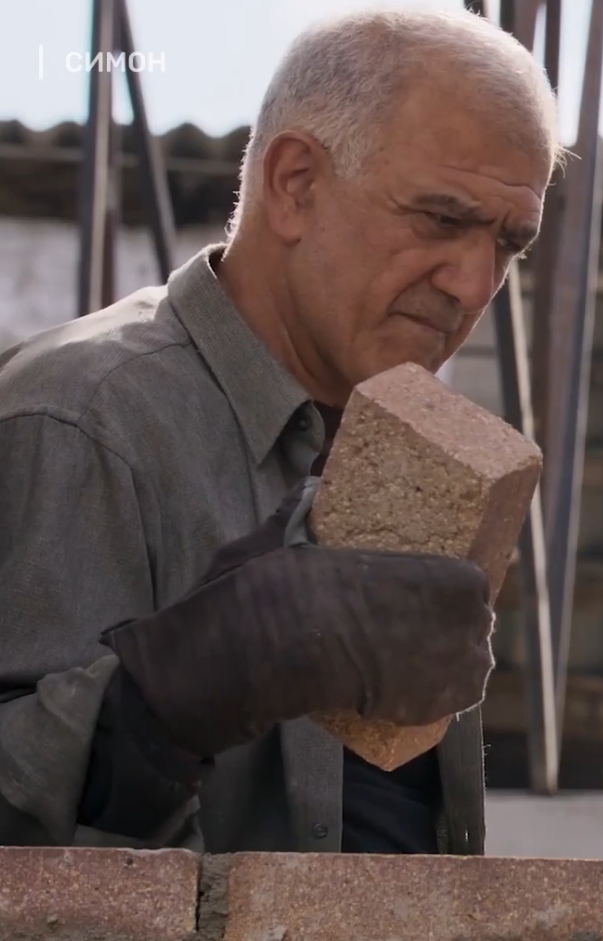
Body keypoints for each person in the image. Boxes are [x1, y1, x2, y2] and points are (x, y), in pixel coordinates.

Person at [0, 8, 561, 852]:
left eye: (509, 244)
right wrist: (175, 692)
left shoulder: (421, 474)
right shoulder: (83, 416)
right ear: (296, 184)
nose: (474, 283)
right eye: (442, 219)